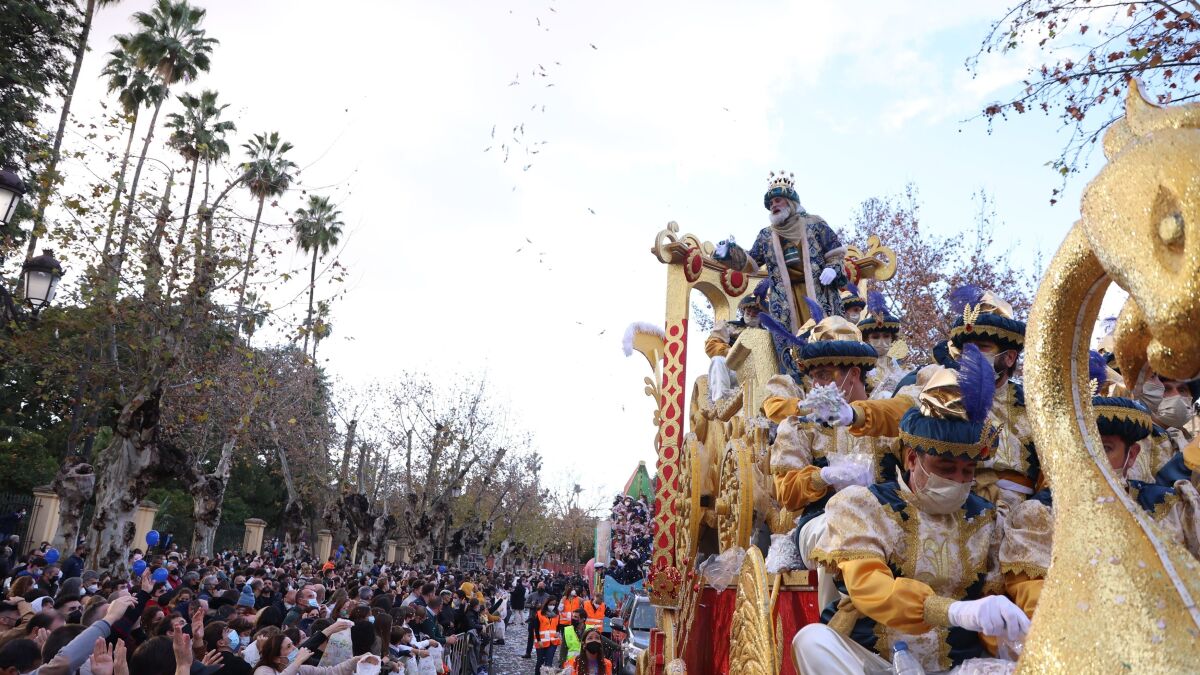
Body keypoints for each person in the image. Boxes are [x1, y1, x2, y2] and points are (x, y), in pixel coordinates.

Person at [793, 344, 1033, 674]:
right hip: (878, 663)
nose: (958, 480)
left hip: (957, 667)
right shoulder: (865, 507)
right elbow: (870, 588)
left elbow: (993, 613)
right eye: (946, 468)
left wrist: (1011, 640)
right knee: (812, 641)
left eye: (968, 471)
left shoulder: (986, 518)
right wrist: (953, 612)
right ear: (911, 459)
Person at [1001, 392, 1200, 615]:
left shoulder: (1172, 506)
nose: (1091, 459)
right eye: (1081, 446)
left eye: (1105, 448)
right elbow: (1036, 595)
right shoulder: (1039, 515)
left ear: (1132, 455)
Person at [747, 170, 849, 378]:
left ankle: (834, 382)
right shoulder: (766, 235)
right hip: (785, 301)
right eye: (770, 203)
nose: (773, 205)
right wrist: (729, 253)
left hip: (818, 294)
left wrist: (832, 268)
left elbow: (837, 254)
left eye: (778, 200)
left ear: (790, 202)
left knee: (827, 339)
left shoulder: (815, 224)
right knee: (790, 347)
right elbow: (750, 263)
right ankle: (796, 384)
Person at [856, 290, 910, 399]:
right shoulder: (860, 369)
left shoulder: (901, 367)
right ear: (866, 340)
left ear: (892, 338)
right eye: (875, 337)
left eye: (886, 336)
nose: (882, 342)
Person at [532, 597, 561, 675]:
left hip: (553, 642)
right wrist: (539, 640)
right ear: (547, 604)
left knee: (549, 662)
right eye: (551, 604)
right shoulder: (539, 613)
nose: (552, 606)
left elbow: (558, 625)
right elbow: (536, 629)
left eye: (554, 604)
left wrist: (558, 632)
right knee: (540, 662)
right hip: (541, 642)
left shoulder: (557, 614)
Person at [522, 582, 549, 659]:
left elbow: (550, 606)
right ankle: (528, 653)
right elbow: (525, 604)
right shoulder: (532, 595)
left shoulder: (547, 596)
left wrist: (542, 607)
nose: (540, 588)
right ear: (537, 587)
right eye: (539, 586)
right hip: (532, 618)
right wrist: (532, 605)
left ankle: (543, 653)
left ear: (544, 588)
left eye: (542, 587)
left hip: (543, 619)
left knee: (543, 636)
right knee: (530, 636)